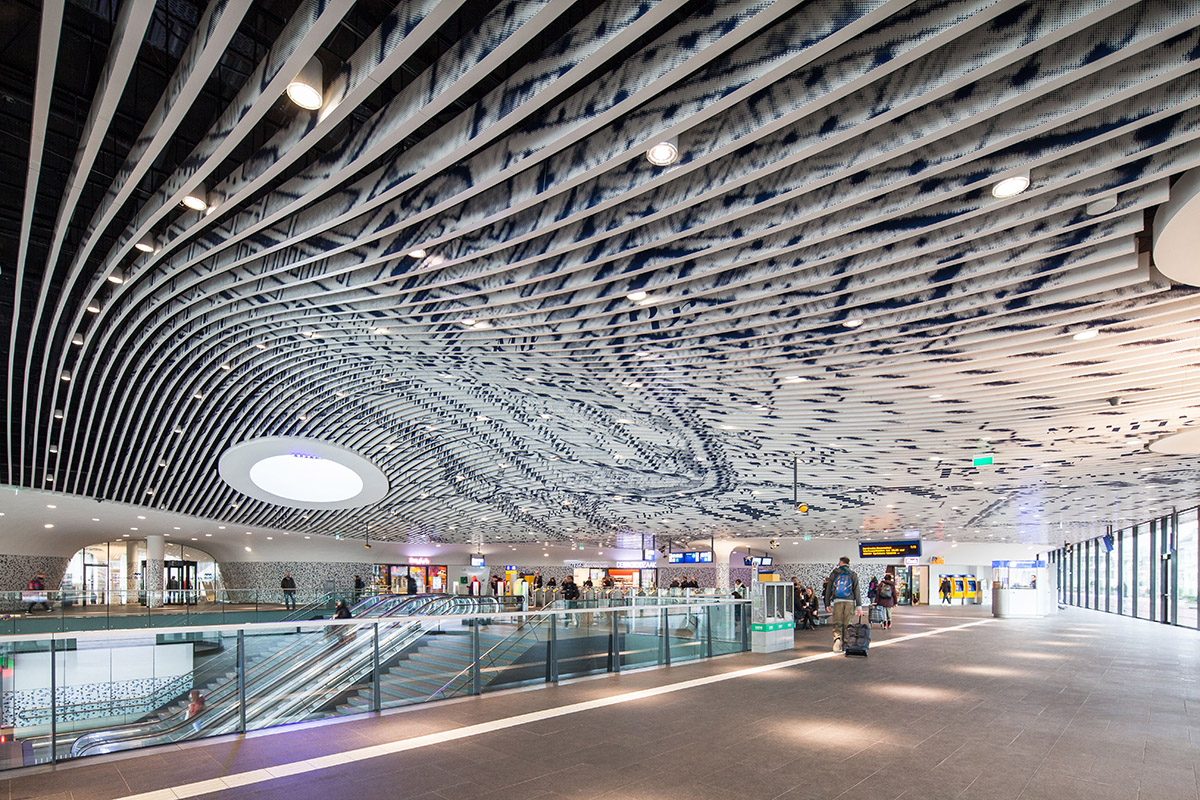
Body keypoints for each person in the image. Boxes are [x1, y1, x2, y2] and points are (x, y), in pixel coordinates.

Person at [822, 556, 863, 653]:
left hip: (837, 601)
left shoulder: (834, 573)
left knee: (837, 622)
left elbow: (828, 589)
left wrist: (827, 603)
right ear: (848, 563)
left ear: (840, 562)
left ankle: (837, 639)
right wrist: (859, 606)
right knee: (847, 623)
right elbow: (857, 590)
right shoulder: (853, 574)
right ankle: (846, 644)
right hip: (850, 601)